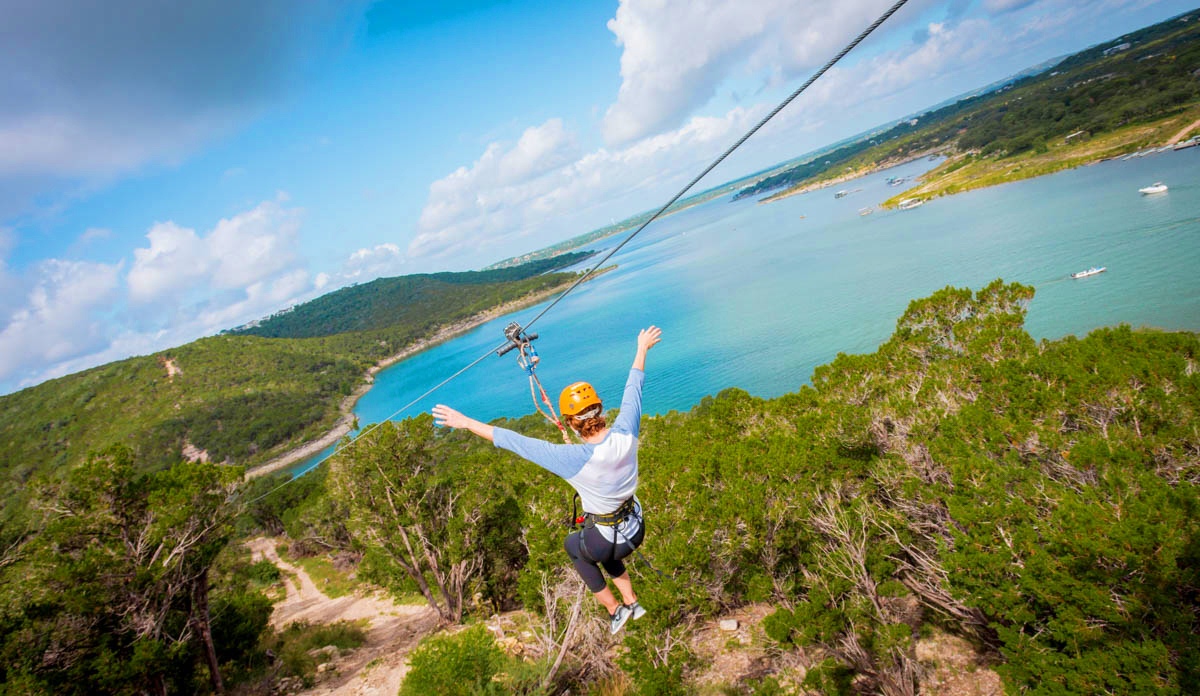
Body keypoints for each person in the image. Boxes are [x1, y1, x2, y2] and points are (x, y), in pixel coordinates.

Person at [432, 325, 662, 634]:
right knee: (600, 547)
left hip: (609, 539)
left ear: (571, 423)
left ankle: (615, 610)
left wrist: (465, 422)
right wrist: (642, 348)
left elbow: (512, 441)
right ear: (601, 410)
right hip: (636, 528)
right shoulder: (626, 431)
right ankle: (633, 601)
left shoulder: (571, 459)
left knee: (574, 546)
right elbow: (634, 389)